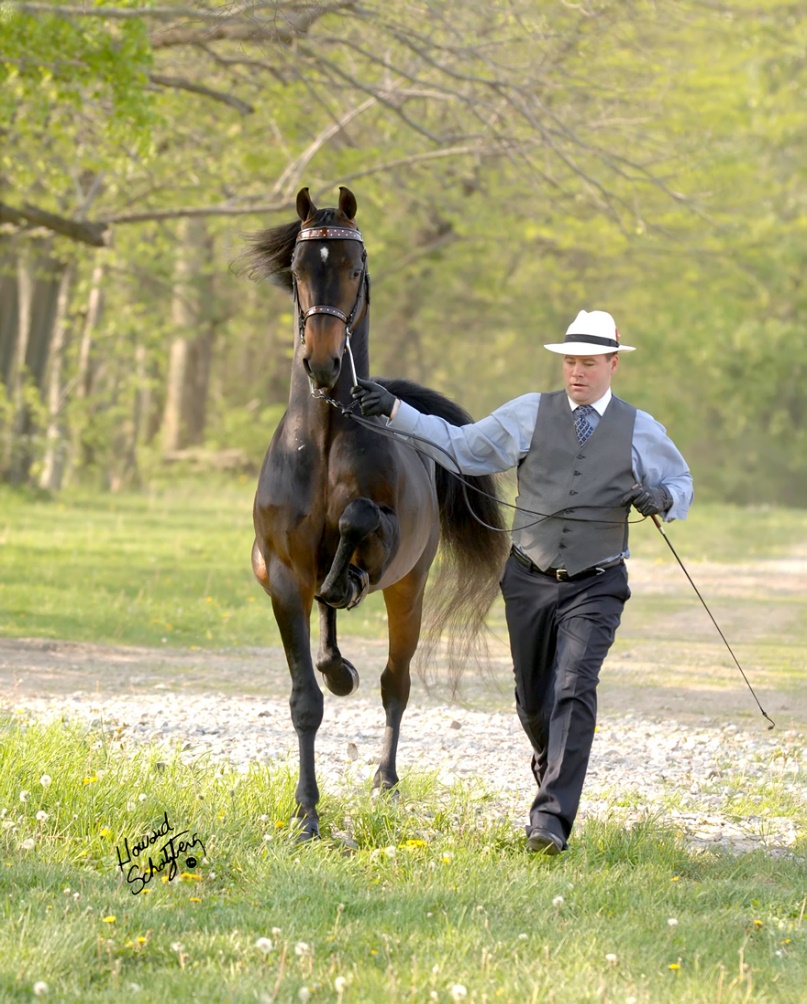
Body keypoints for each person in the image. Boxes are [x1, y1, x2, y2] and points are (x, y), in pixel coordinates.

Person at [351, 309, 693, 855]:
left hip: (597, 582)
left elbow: (680, 479)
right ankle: (552, 765)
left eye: (588, 363)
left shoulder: (641, 429)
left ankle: (550, 822)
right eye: (569, 362)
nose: (577, 372)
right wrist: (396, 411)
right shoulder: (529, 415)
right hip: (529, 579)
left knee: (573, 688)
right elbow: (460, 447)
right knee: (535, 704)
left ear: (612, 365)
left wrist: (666, 499)